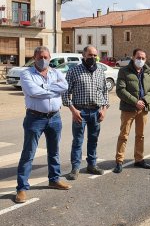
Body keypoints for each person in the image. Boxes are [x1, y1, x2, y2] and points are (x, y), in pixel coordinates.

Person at [15, 46, 71, 203]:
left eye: (46, 57)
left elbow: (65, 87)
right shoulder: (26, 73)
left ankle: (54, 179)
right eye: (40, 57)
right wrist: (54, 90)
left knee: (54, 151)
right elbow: (33, 91)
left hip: (55, 117)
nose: (43, 60)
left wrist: (44, 88)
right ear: (34, 57)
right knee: (28, 153)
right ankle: (21, 188)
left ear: (50, 57)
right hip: (35, 118)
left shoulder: (56, 72)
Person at [63, 45, 109, 180]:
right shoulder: (74, 71)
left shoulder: (100, 71)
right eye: (90, 55)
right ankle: (75, 168)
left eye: (95, 55)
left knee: (93, 140)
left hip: (96, 111)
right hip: (80, 111)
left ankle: (92, 165)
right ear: (83, 55)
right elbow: (65, 93)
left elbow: (105, 91)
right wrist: (73, 110)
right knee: (78, 141)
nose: (93, 58)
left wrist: (104, 109)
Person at [113, 48, 150, 173]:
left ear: (146, 59)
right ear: (133, 57)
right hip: (128, 109)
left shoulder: (148, 72)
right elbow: (120, 90)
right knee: (124, 135)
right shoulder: (124, 71)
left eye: (143, 58)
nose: (140, 60)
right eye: (138, 57)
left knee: (140, 135)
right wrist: (135, 101)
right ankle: (119, 161)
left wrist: (144, 100)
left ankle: (139, 159)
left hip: (143, 108)